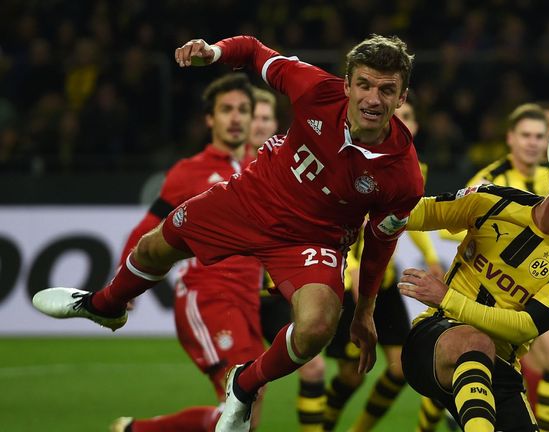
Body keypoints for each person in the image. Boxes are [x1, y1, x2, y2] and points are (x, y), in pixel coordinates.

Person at [33, 33, 423, 432]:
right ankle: (105, 305)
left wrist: (364, 312)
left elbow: (380, 242)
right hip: (251, 200)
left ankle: (245, 382)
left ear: (402, 97)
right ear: (347, 85)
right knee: (154, 248)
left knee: (317, 327)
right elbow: (253, 51)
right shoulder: (314, 89)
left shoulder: (404, 177)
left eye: (387, 90)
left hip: (313, 241)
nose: (373, 99)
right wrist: (215, 52)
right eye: (365, 85)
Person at [399, 141, 549, 432]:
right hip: (433, 340)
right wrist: (360, 211)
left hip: (499, 367)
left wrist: (448, 297)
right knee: (476, 341)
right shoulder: (494, 200)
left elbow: (527, 327)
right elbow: (420, 213)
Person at [109, 72, 262, 432]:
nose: (236, 117)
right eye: (226, 110)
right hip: (206, 296)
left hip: (246, 301)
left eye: (243, 109)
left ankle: (135, 431)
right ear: (210, 119)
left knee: (248, 409)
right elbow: (147, 228)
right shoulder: (188, 172)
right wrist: (124, 284)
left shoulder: (262, 167)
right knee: (239, 409)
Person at [438, 103, 549, 431]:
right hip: (489, 290)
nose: (532, 142)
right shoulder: (489, 179)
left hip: (530, 290)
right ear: (510, 138)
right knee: (473, 363)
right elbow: (447, 223)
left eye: (539, 136)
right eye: (525, 135)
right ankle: (449, 412)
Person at [322, 100, 444, 432]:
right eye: (396, 117)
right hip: (354, 277)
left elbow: (409, 218)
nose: (399, 123)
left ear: (415, 127)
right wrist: (354, 266)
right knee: (351, 374)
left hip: (383, 280)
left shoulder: (417, 168)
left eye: (406, 117)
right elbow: (354, 218)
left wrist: (431, 257)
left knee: (399, 368)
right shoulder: (361, 159)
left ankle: (358, 430)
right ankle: (322, 428)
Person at [248, 85, 328, 432]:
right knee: (251, 389)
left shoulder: (290, 164)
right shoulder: (223, 171)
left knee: (313, 368)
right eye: (255, 117)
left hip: (273, 290)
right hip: (236, 294)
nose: (261, 124)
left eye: (267, 117)